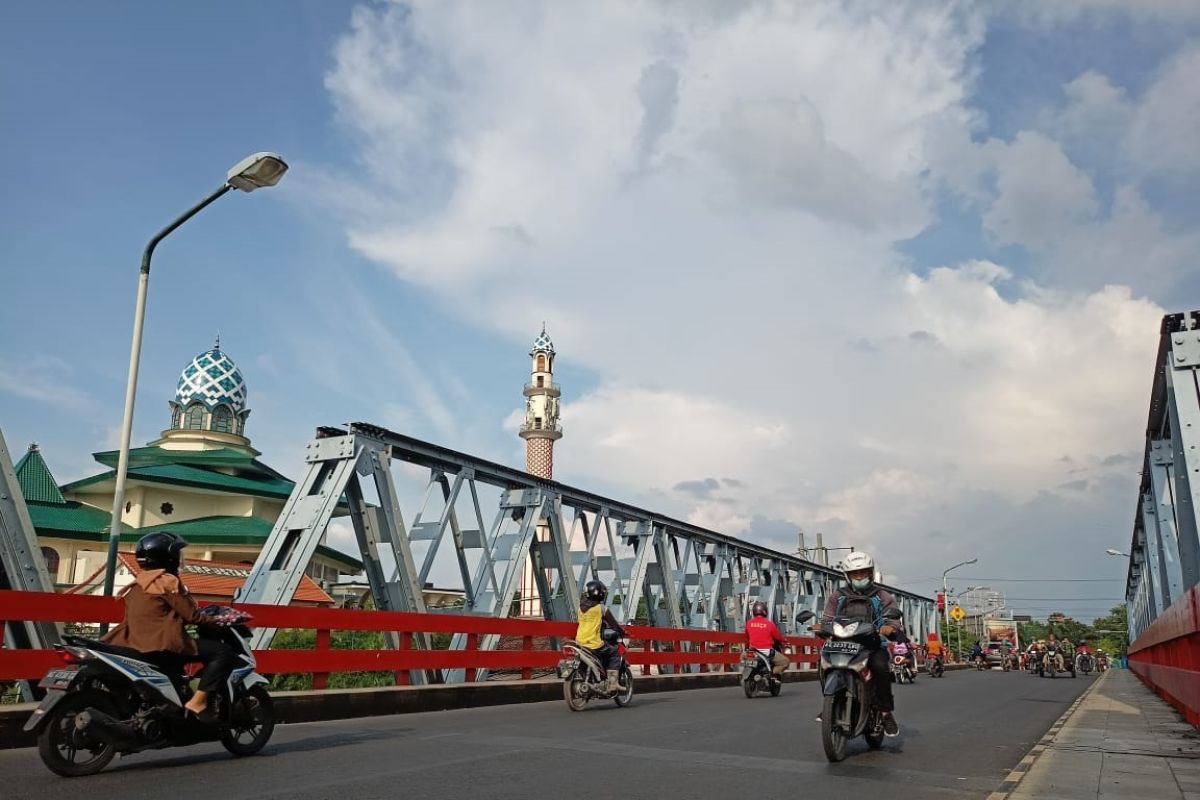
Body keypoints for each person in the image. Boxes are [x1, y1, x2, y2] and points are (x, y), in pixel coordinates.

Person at [103, 532, 235, 718]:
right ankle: (198, 701)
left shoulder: (136, 585)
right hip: (164, 645)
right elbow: (192, 616)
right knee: (223, 653)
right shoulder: (167, 582)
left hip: (135, 645)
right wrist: (220, 621)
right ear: (169, 557)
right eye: (178, 554)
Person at [817, 551, 903, 736]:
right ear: (847, 576)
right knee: (824, 663)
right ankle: (830, 702)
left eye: (864, 573)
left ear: (871, 573)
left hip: (871, 644)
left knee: (881, 667)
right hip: (842, 643)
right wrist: (821, 627)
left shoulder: (881, 595)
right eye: (856, 574)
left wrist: (890, 627)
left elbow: (894, 617)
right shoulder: (837, 596)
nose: (860, 577)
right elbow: (827, 619)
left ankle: (886, 712)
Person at [575, 579, 626, 693]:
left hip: (579, 642)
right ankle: (612, 684)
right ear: (600, 593)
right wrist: (622, 632)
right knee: (614, 653)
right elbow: (614, 624)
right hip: (594, 643)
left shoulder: (580, 609)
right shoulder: (601, 608)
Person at [744, 600, 790, 678]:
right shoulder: (769, 624)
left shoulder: (749, 623)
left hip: (752, 651)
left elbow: (746, 638)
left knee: (743, 657)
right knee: (785, 662)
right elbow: (778, 637)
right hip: (766, 651)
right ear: (765, 611)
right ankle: (771, 673)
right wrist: (784, 640)